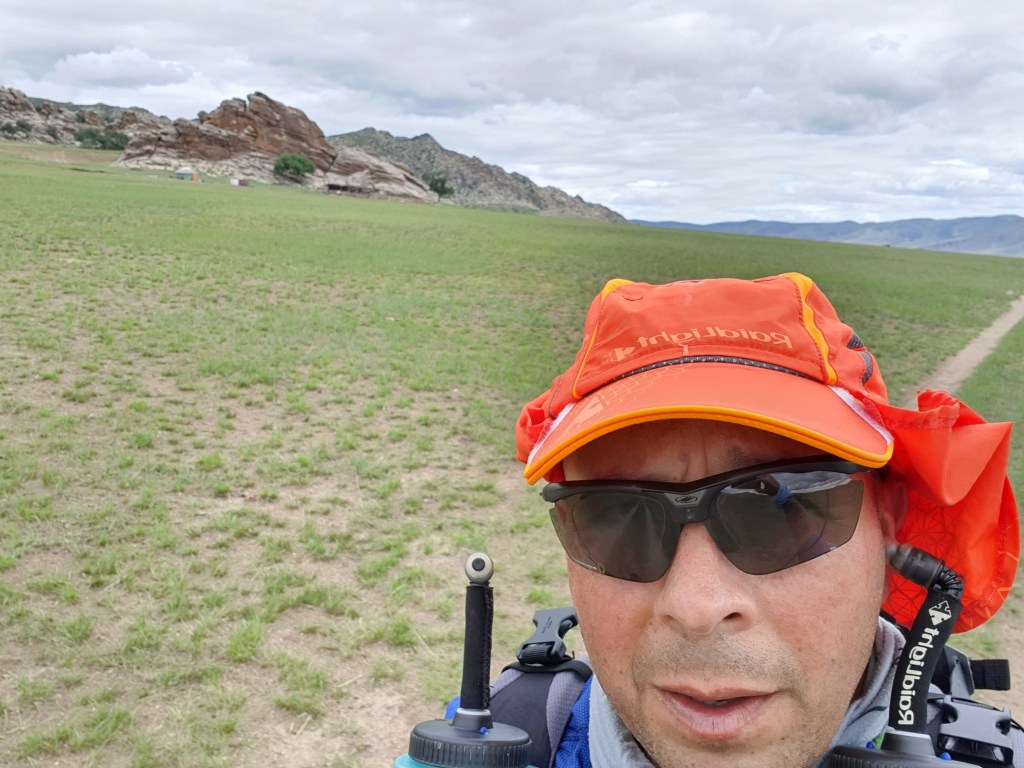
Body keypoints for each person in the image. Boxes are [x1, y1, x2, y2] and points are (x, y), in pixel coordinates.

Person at [507, 273, 1020, 768]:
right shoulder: (505, 733)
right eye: (619, 515)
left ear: (887, 526)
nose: (697, 608)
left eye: (780, 510)